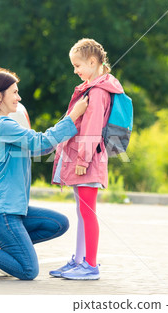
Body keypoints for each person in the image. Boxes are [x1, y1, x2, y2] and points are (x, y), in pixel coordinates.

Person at [0, 67, 89, 280]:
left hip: (13, 209)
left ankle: (3, 248)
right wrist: (73, 115)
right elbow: (40, 142)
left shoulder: (4, 125)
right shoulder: (2, 126)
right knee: (28, 270)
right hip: (0, 212)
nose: (19, 97)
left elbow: (40, 147)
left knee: (58, 223)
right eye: (14, 92)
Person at [49, 38, 125, 280]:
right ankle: (80, 260)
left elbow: (91, 129)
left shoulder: (99, 91)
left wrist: (82, 161)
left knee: (88, 212)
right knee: (83, 211)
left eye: (77, 65)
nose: (75, 71)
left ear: (93, 62)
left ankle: (90, 265)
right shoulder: (93, 88)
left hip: (88, 163)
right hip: (85, 161)